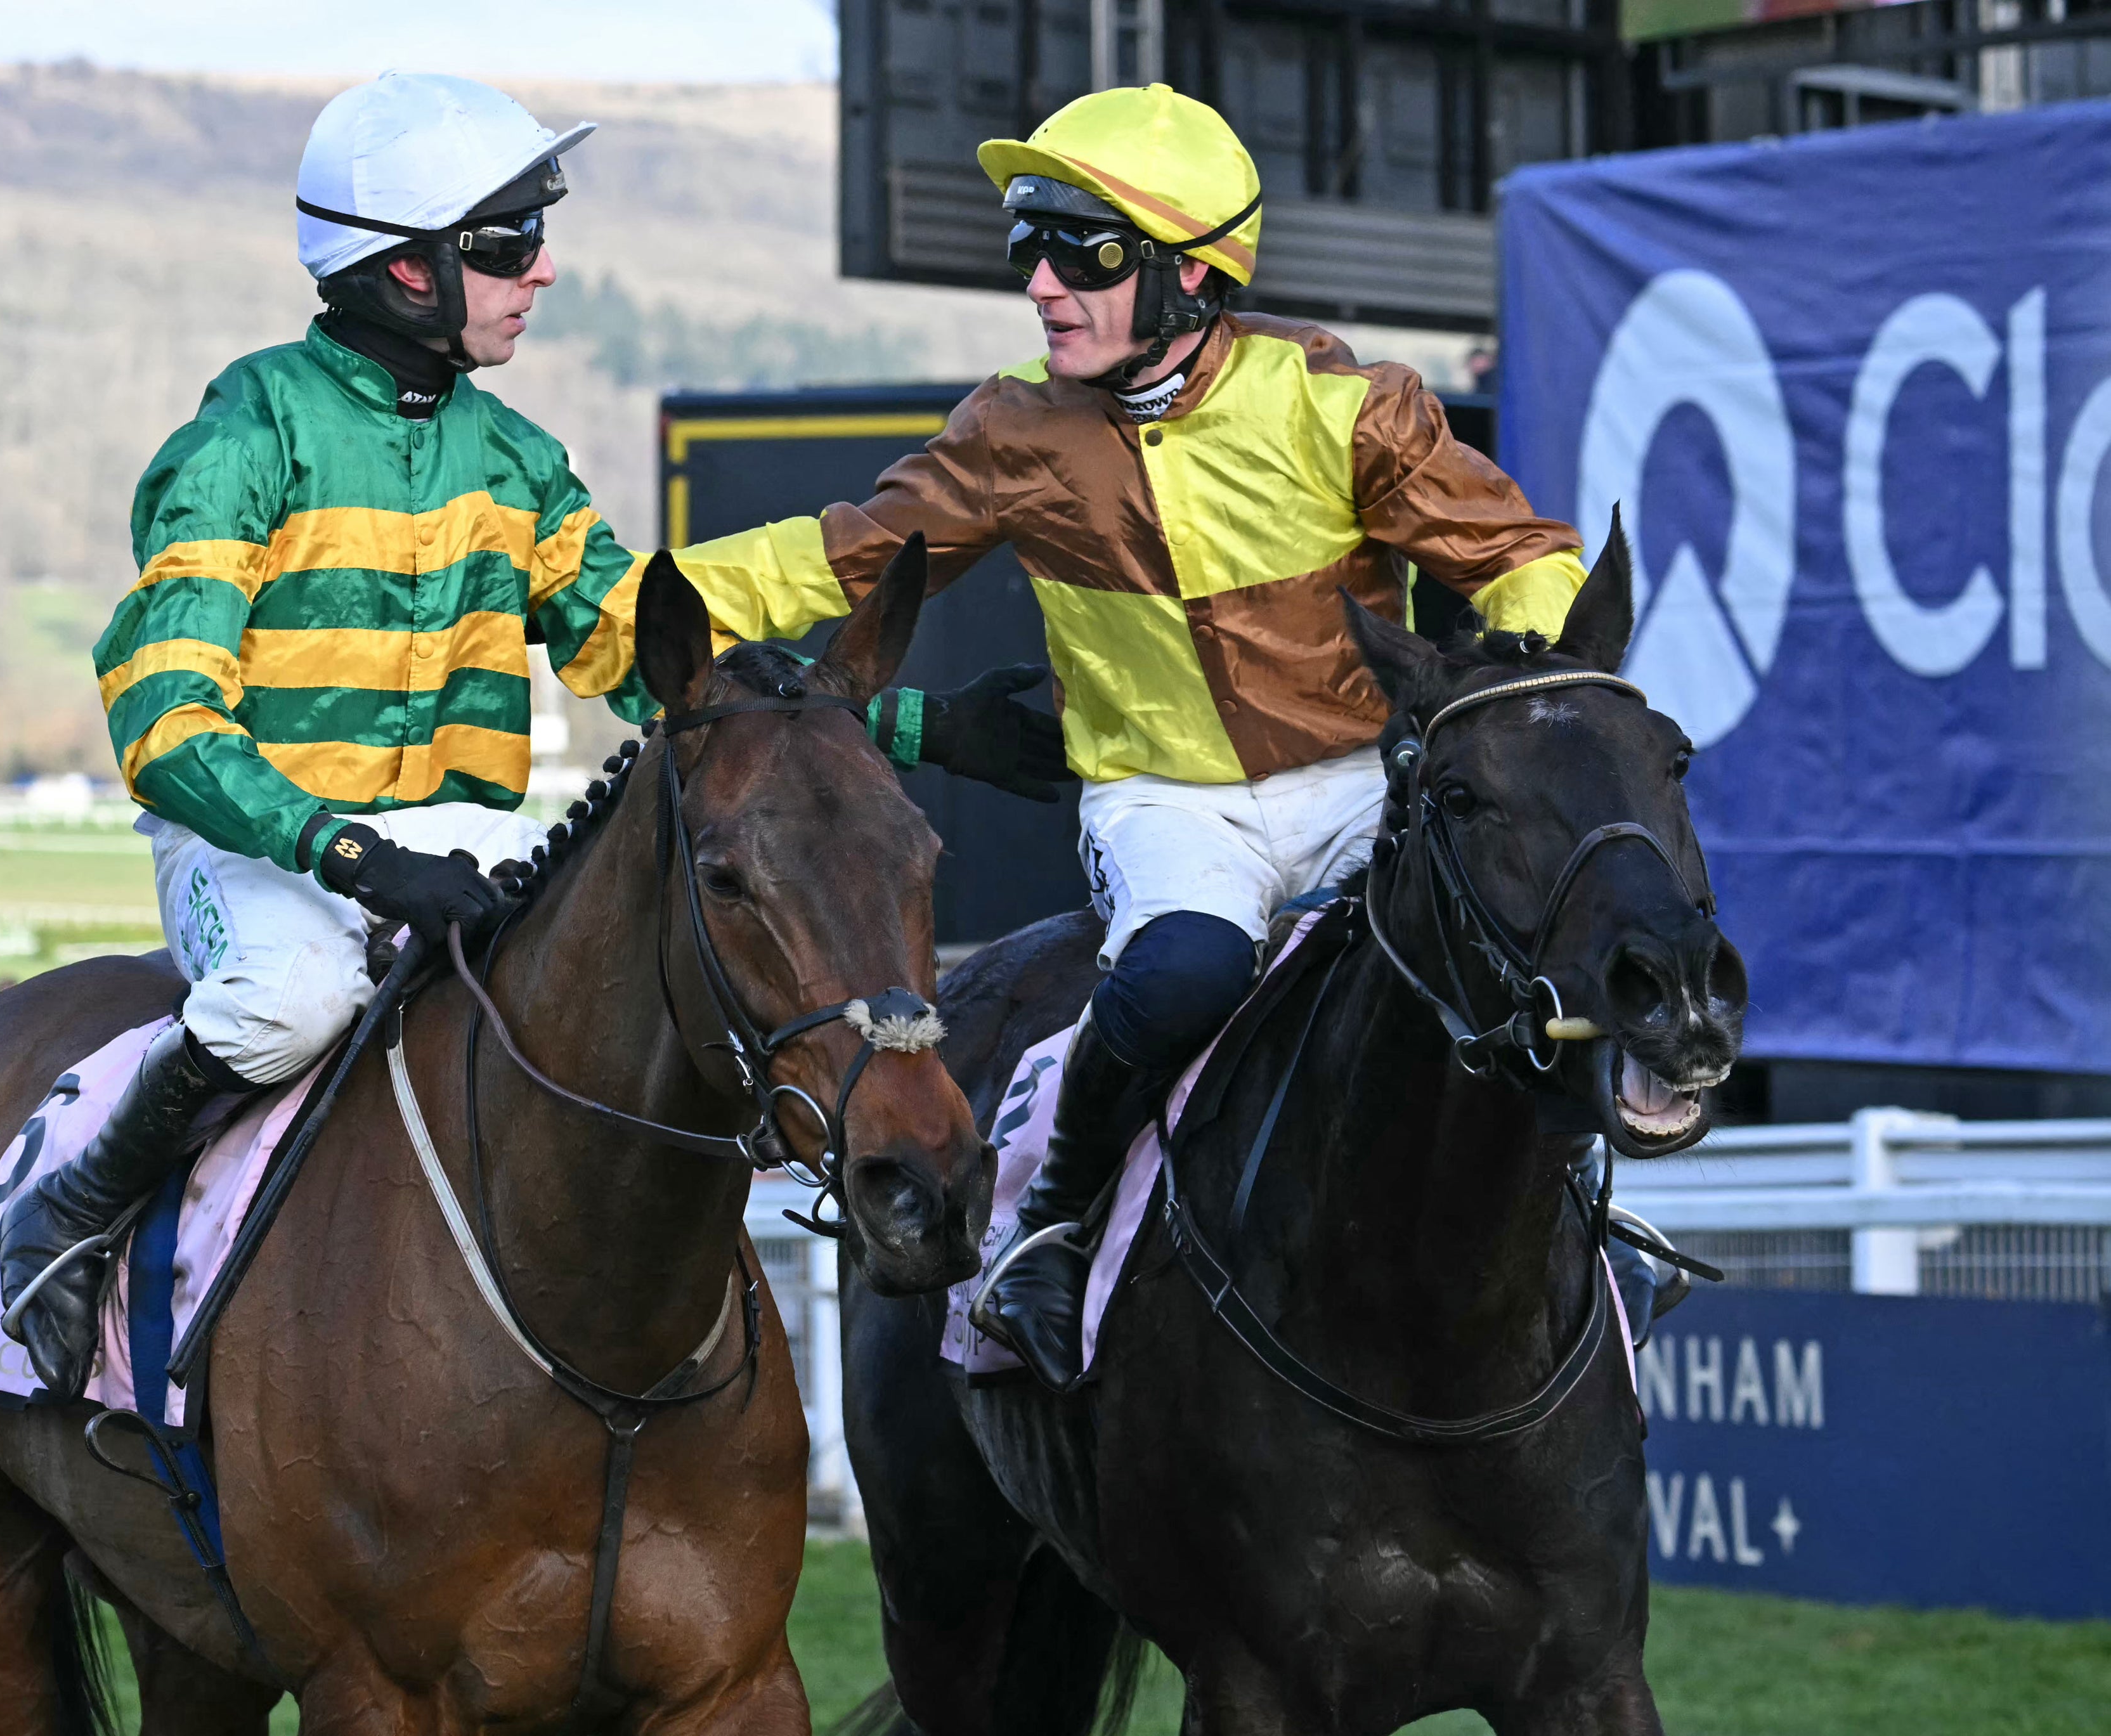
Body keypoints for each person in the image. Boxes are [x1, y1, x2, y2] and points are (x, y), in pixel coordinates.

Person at [1, 72, 1059, 1402]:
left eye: (534, 241)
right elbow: (162, 722)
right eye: (504, 247)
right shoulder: (243, 437)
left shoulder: (512, 461)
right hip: (258, 835)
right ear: (398, 271)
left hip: (452, 830)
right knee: (294, 1000)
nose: (541, 273)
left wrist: (915, 722)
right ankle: (75, 1207)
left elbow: (641, 651)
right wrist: (340, 849)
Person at [668, 85, 1598, 1391]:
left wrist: (1524, 652)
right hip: (1168, 805)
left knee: (1499, 937)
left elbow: (1518, 554)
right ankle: (1050, 1217)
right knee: (1180, 978)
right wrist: (633, 603)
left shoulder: (1348, 405)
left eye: (1082, 254)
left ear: (1193, 274)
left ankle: (1592, 1226)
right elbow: (839, 556)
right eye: (1025, 250)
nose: (1041, 286)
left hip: (1352, 786)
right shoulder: (1010, 431)